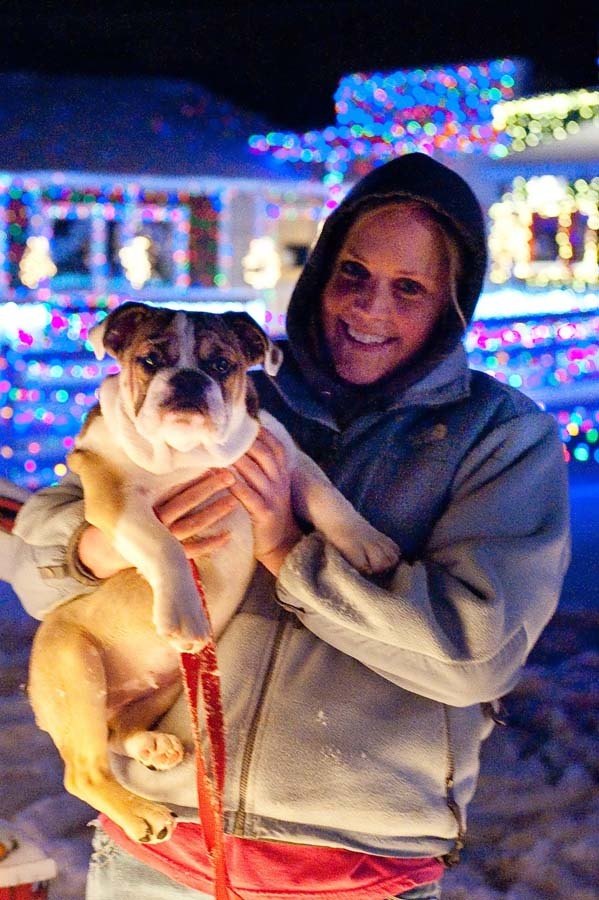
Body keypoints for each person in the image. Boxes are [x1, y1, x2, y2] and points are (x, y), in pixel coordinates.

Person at [11, 153, 570, 900]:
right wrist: (98, 548)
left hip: (354, 868)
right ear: (319, 275)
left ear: (452, 304)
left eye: (408, 288)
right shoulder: (230, 386)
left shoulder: (499, 437)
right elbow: (36, 553)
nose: (369, 308)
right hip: (159, 848)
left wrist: (286, 549)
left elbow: (475, 655)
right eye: (351, 274)